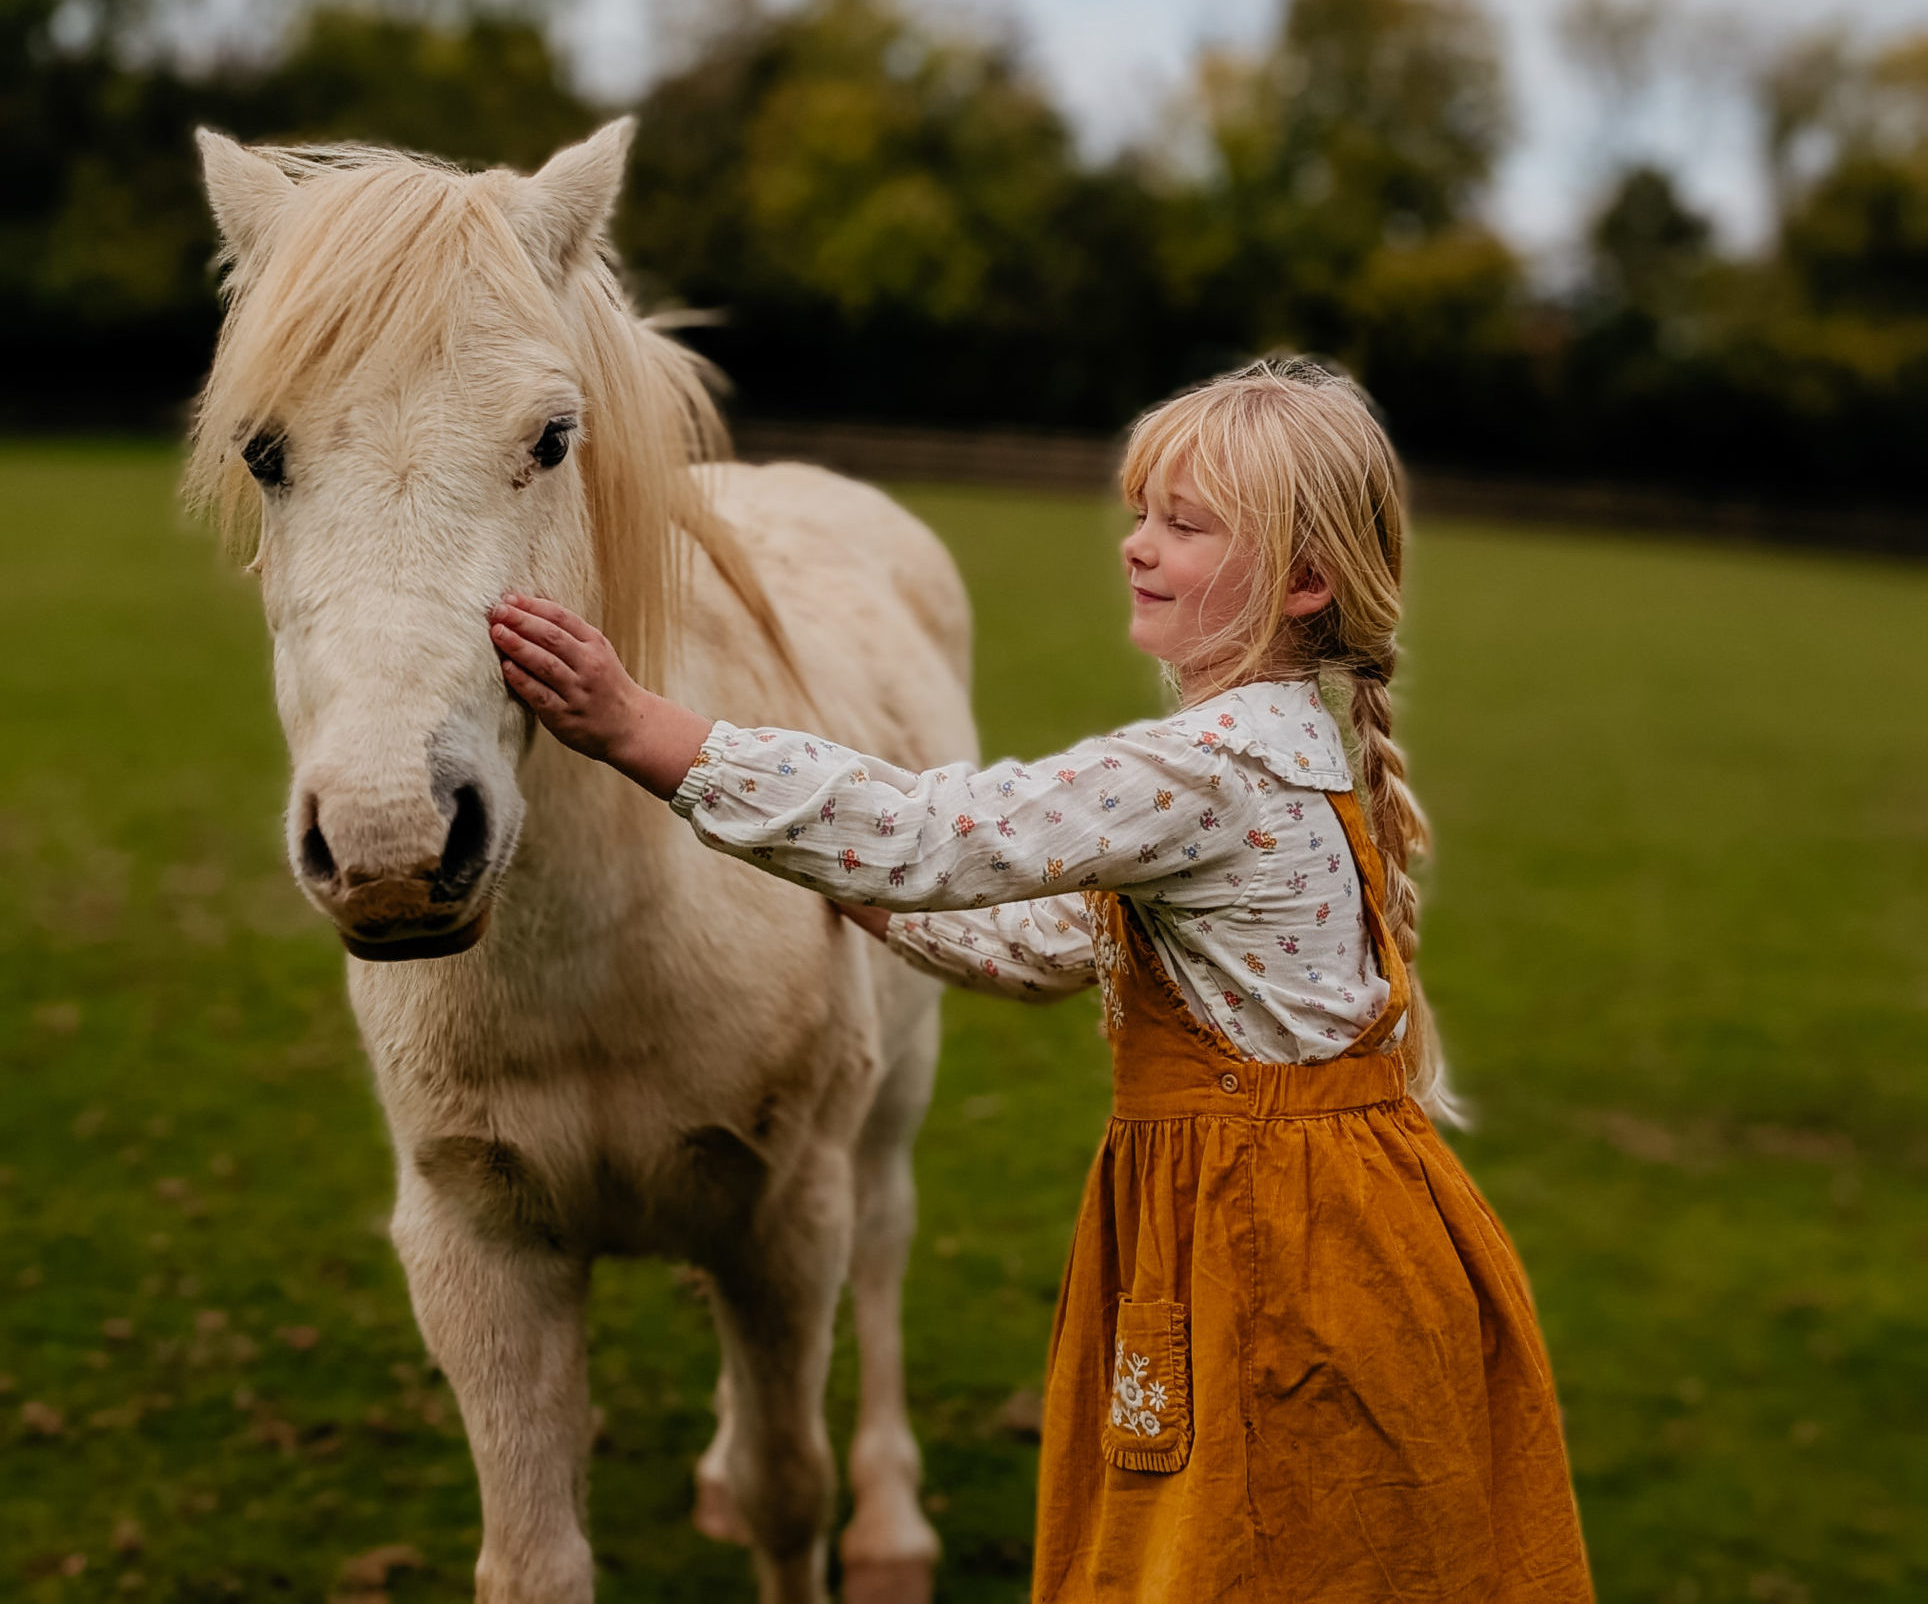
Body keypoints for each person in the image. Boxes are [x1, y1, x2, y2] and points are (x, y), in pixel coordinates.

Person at [486, 359, 1593, 1603]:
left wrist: (644, 729)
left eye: (1184, 524)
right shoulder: (1286, 755)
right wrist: (844, 883)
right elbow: (1035, 945)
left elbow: (932, 831)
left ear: (1302, 582)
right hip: (1333, 1226)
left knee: (1253, 1556)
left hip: (1275, 1249)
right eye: (1140, 513)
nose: (1137, 545)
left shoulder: (1208, 768)